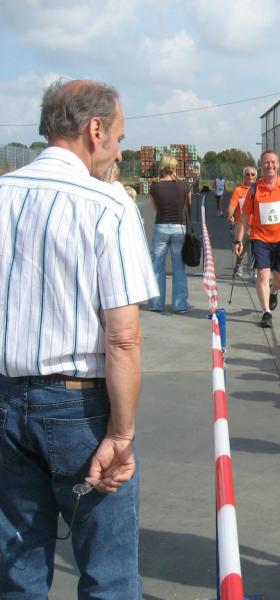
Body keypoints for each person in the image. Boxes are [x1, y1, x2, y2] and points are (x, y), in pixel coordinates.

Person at [0, 79, 158, 597]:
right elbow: (124, 337)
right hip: (78, 409)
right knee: (108, 572)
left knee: (17, 570)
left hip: (5, 400)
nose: (119, 152)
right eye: (118, 138)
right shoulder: (107, 205)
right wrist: (121, 434)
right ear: (95, 130)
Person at [233, 149, 280, 328]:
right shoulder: (254, 189)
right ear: (261, 165)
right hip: (259, 238)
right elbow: (244, 217)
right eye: (266, 162)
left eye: (273, 162)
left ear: (278, 165)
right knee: (263, 273)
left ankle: (273, 291)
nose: (270, 165)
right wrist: (238, 240)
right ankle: (266, 312)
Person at [148, 154, 193, 313]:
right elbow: (188, 204)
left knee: (157, 266)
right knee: (179, 267)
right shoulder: (184, 184)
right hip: (179, 227)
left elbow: (156, 207)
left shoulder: (155, 186)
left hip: (161, 225)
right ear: (174, 167)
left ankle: (156, 303)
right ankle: (180, 305)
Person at [227, 165, 259, 277]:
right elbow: (232, 205)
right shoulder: (238, 190)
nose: (250, 176)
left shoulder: (259, 189)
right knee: (241, 247)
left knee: (256, 249)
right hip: (241, 225)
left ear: (256, 176)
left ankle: (255, 271)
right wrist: (230, 215)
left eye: (252, 174)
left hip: (256, 225)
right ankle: (238, 267)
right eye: (247, 174)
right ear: (244, 176)